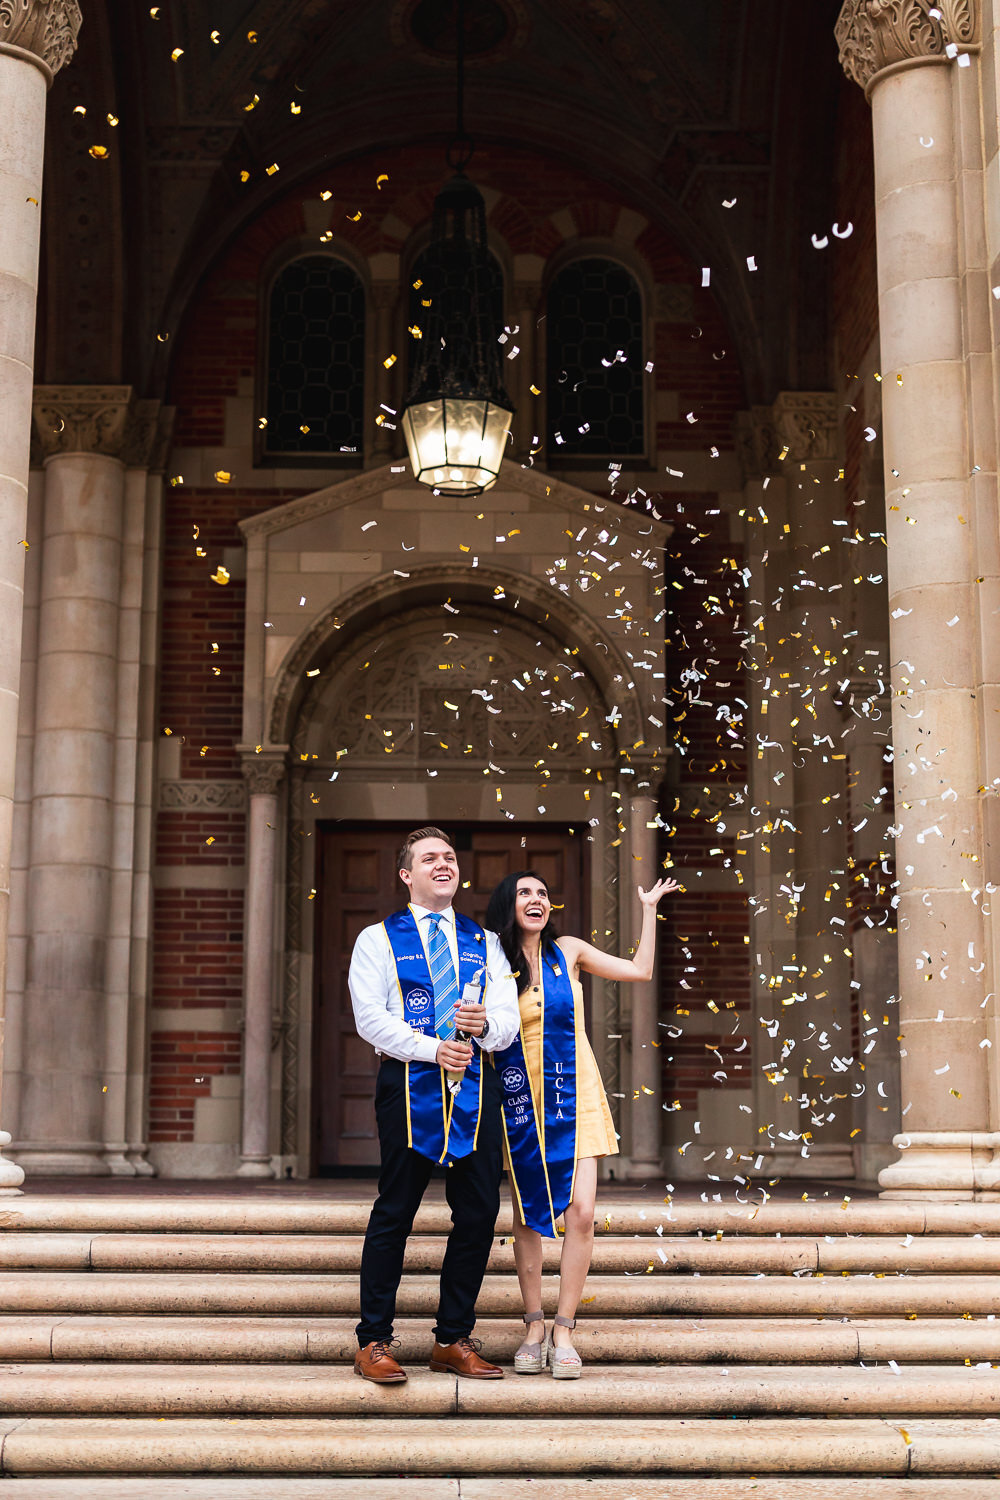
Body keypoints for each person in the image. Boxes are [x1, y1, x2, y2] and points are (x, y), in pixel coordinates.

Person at [486, 868, 678, 1378]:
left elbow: (639, 970)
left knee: (583, 1212)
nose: (536, 899)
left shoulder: (567, 950)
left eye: (543, 892)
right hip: (520, 1098)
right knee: (529, 1212)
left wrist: (650, 910)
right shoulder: (491, 961)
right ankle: (532, 1325)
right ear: (509, 903)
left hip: (577, 1093)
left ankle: (564, 1330)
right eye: (525, 891)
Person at [349, 826, 520, 1385]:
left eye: (449, 857)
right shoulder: (377, 939)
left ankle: (452, 1338)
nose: (443, 864)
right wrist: (432, 1048)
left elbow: (508, 1018)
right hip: (408, 1084)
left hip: (475, 1085)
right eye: (429, 859)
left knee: (477, 1213)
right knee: (395, 1211)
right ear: (407, 875)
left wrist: (487, 1025)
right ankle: (373, 1340)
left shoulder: (484, 941)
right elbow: (370, 1017)